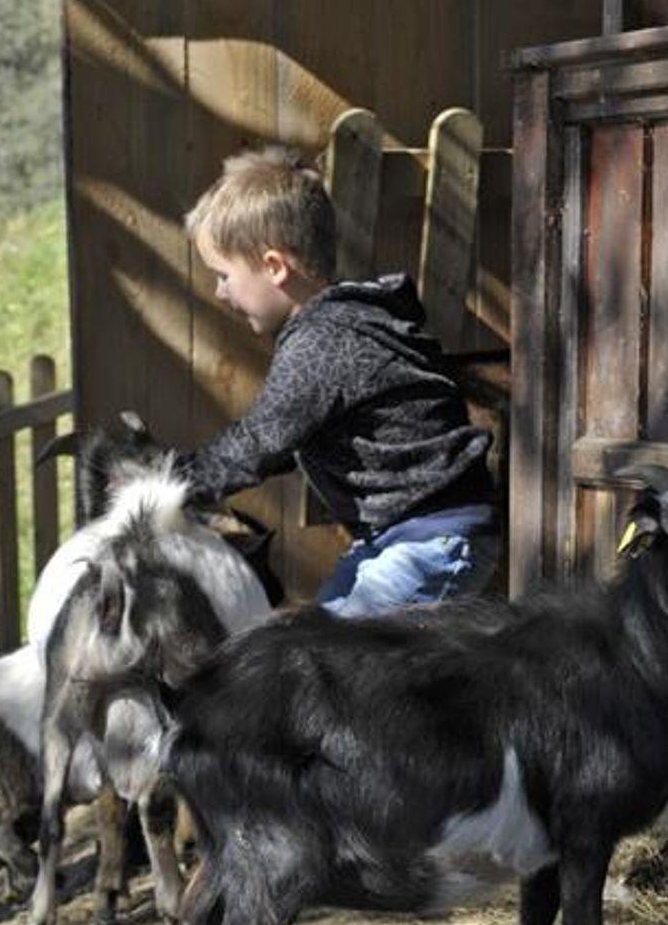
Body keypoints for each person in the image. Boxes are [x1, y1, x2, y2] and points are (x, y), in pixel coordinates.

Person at [179, 146, 499, 615]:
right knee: (315, 640)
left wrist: (172, 482)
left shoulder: (323, 340)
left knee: (333, 653)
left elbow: (260, 442)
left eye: (224, 275)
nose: (219, 291)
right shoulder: (341, 324)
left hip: (431, 538)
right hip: (405, 534)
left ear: (275, 267)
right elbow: (285, 442)